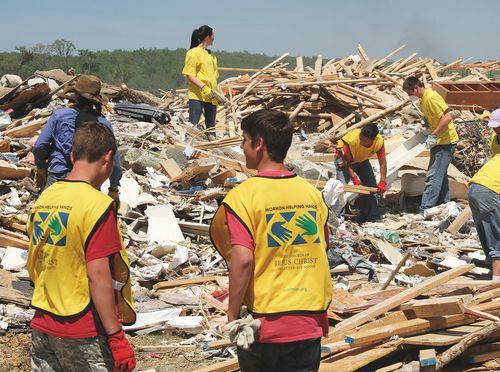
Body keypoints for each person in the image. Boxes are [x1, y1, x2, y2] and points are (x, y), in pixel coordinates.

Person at [210, 109, 332, 372]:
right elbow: (323, 246)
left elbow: (242, 259)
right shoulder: (311, 194)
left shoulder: (244, 196)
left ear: (259, 143)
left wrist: (232, 315)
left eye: (244, 139)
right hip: (309, 322)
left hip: (265, 325)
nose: (242, 147)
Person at [27, 122, 136, 371]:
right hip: (84, 329)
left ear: (73, 156)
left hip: (42, 323)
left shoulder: (46, 198)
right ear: (108, 157)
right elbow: (98, 275)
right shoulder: (96, 206)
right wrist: (117, 337)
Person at [33, 74, 122, 205]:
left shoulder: (59, 116)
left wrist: (41, 167)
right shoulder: (103, 124)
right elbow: (114, 162)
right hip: (88, 181)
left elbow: (40, 146)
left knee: (52, 217)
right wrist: (113, 188)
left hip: (58, 176)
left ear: (76, 95)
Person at [403, 76, 459, 213]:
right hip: (439, 141)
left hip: (445, 141)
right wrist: (428, 129)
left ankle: (426, 207)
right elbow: (433, 118)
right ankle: (444, 205)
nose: (409, 95)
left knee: (433, 176)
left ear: (416, 87)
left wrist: (434, 135)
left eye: (410, 92)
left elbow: (448, 117)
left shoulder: (431, 98)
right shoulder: (423, 100)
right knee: (440, 175)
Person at [335, 123, 387, 222]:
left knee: (371, 187)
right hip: (343, 160)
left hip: (362, 159)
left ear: (373, 139)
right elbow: (347, 162)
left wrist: (383, 181)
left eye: (365, 141)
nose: (361, 142)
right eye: (361, 139)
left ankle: (374, 217)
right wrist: (355, 179)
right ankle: (338, 217)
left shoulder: (379, 142)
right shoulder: (352, 141)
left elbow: (383, 162)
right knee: (340, 188)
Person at [182, 25, 219, 141]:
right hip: (197, 95)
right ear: (207, 37)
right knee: (193, 128)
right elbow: (189, 74)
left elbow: (214, 77)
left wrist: (218, 94)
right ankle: (187, 155)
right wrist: (204, 87)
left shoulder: (211, 55)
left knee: (211, 130)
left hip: (211, 96)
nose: (214, 37)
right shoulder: (193, 53)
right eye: (213, 35)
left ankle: (212, 157)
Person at [467, 153, 500, 279]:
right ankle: (497, 280)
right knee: (497, 236)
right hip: (490, 191)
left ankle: (491, 267)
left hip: (474, 189)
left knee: (488, 233)